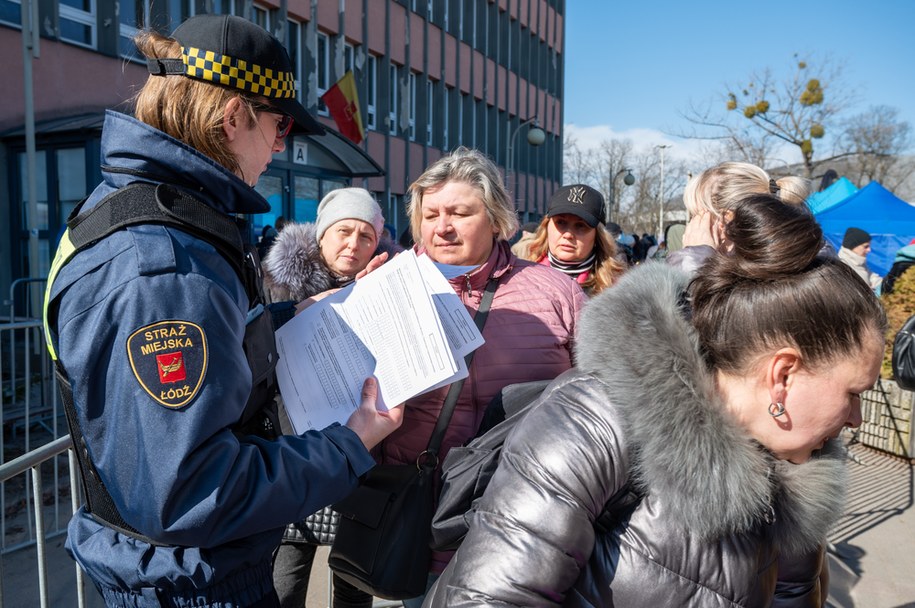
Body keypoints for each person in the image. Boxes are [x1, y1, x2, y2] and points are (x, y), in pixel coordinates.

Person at [42, 15, 402, 607]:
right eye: (279, 122)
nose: (284, 143)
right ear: (233, 116)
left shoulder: (161, 220)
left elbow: (211, 349)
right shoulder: (164, 265)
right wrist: (351, 442)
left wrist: (298, 315)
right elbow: (189, 492)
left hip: (183, 574)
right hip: (191, 585)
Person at [424, 193, 886, 607]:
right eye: (852, 394)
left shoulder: (801, 461)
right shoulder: (595, 423)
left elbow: (792, 590)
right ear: (782, 374)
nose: (856, 420)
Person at [376, 146, 587, 607]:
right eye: (430, 214)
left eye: (459, 212)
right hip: (420, 526)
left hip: (527, 529)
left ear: (496, 219)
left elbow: (597, 404)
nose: (442, 226)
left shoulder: (558, 293)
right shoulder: (387, 287)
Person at [262, 187, 396, 608]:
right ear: (321, 235)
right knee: (285, 582)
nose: (353, 244)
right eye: (343, 231)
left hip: (361, 458)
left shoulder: (389, 287)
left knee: (355, 587)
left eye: (365, 236)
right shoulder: (279, 285)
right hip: (293, 452)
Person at [669, 161, 810, 274]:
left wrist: (693, 260)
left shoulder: (749, 285)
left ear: (727, 220)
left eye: (697, 216)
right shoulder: (799, 264)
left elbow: (697, 307)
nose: (692, 226)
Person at [524, 184, 626, 296]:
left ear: (597, 236)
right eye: (561, 222)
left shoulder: (619, 288)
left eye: (580, 225)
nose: (568, 235)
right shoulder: (521, 276)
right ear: (546, 227)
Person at [838, 227, 883, 291]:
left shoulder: (859, 262)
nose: (869, 250)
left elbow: (872, 278)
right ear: (853, 245)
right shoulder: (843, 266)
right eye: (866, 246)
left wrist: (888, 283)